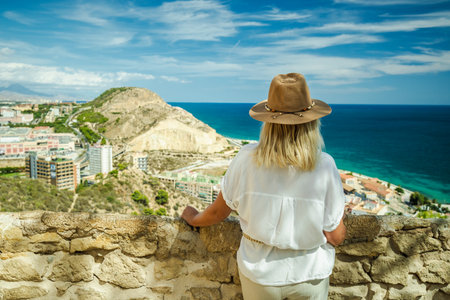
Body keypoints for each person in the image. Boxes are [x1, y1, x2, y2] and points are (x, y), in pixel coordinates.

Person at [181, 73, 346, 300]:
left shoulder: (246, 158)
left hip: (260, 275)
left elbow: (219, 212)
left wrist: (193, 218)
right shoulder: (325, 165)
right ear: (311, 122)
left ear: (268, 122)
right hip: (310, 273)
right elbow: (335, 236)